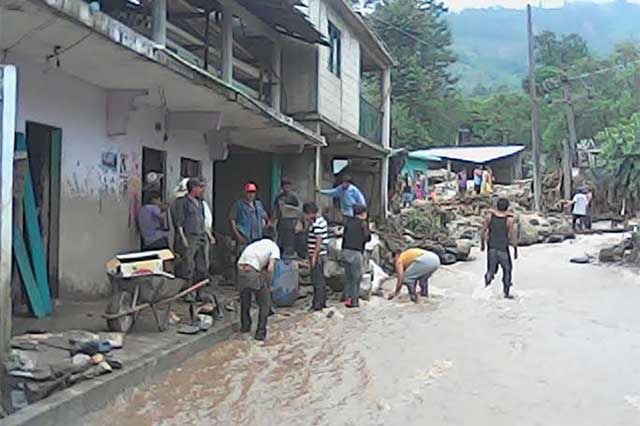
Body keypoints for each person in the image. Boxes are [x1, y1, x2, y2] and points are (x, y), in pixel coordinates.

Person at [172, 178, 216, 286]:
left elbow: (203, 220)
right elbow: (179, 223)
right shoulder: (182, 202)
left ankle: (199, 292)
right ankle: (188, 292)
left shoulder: (200, 203)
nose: (202, 190)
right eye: (200, 187)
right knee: (188, 265)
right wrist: (183, 238)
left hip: (201, 236)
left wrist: (209, 236)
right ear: (193, 188)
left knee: (202, 266)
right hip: (190, 236)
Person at [237, 236, 280, 341]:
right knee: (265, 303)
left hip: (240, 267)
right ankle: (260, 333)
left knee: (245, 299)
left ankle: (245, 326)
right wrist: (268, 286)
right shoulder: (275, 248)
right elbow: (270, 268)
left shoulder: (258, 244)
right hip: (252, 268)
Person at [481, 197, 518, 299]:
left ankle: (485, 290)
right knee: (507, 270)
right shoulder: (509, 220)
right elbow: (512, 236)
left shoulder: (489, 217)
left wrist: (482, 244)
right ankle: (506, 293)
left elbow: (483, 231)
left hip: (491, 248)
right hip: (503, 249)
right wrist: (515, 249)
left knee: (491, 271)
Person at [341, 205, 371, 308]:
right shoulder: (362, 224)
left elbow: (344, 237)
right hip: (356, 253)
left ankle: (346, 299)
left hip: (345, 252)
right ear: (363, 213)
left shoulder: (348, 222)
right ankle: (354, 302)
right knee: (356, 278)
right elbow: (367, 238)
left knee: (348, 278)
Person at [303, 202, 329, 311]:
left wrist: (314, 256)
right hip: (321, 254)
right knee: (320, 280)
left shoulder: (317, 223)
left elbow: (318, 240)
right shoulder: (321, 221)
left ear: (310, 214)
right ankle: (321, 302)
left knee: (317, 280)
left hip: (317, 255)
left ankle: (317, 304)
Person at [230, 182, 269, 251]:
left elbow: (264, 216)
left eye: (253, 192)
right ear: (245, 193)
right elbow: (232, 220)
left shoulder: (258, 204)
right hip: (244, 237)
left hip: (257, 237)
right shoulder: (238, 205)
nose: (251, 194)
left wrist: (266, 224)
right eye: (249, 192)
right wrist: (238, 235)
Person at [273, 179, 301, 257]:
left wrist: (298, 223)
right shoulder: (279, 197)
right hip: (281, 223)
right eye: (285, 186)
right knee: (280, 243)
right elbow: (276, 210)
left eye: (288, 186)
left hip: (291, 222)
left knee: (290, 244)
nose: (287, 188)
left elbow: (299, 210)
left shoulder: (294, 197)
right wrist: (274, 222)